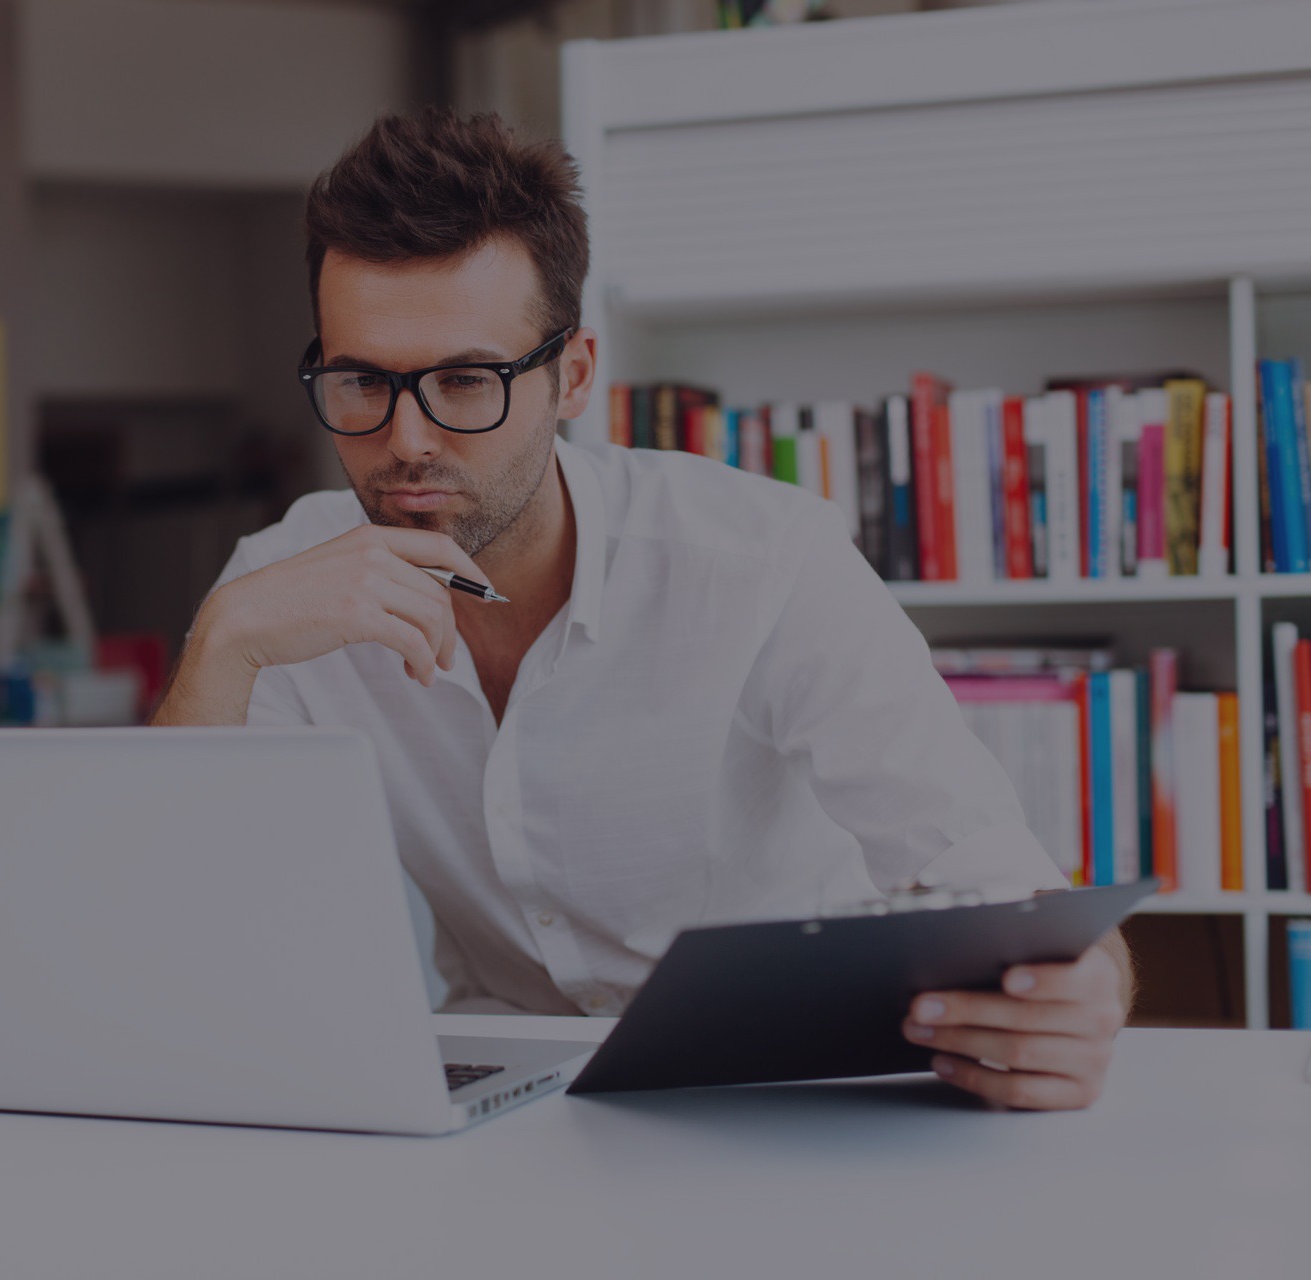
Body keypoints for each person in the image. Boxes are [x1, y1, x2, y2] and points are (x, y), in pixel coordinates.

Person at [151, 109, 1133, 1111]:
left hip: (787, 1083)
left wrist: (1077, 991)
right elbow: (169, 939)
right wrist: (219, 647)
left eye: (466, 380)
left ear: (573, 375)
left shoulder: (763, 562)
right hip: (507, 1099)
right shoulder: (280, 592)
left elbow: (991, 873)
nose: (406, 440)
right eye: (362, 380)